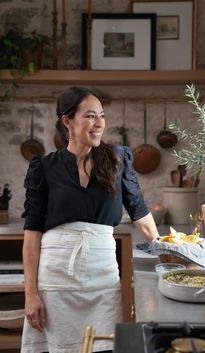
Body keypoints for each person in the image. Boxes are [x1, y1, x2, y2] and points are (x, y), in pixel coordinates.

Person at [21, 86, 160, 353]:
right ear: (67, 121)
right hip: (55, 280)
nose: (100, 124)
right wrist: (31, 294)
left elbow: (140, 214)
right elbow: (33, 234)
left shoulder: (118, 158)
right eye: (91, 116)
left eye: (102, 116)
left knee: (104, 346)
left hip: (103, 279)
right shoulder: (45, 167)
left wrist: (171, 254)